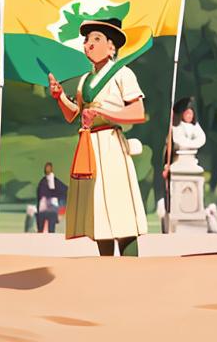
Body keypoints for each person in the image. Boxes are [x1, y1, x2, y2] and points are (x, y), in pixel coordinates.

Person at [47, 17, 148, 257]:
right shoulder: (85, 79)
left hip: (111, 144)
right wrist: (59, 96)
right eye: (86, 40)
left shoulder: (123, 74)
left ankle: (131, 266)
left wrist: (104, 112)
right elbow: (74, 114)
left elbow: (137, 111)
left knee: (119, 206)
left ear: (111, 46)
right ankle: (104, 266)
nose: (88, 45)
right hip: (90, 144)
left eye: (96, 39)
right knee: (99, 210)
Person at [36, 162, 68, 234]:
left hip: (51, 208)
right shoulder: (43, 182)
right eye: (46, 168)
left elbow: (64, 191)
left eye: (48, 168)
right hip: (45, 208)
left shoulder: (54, 182)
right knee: (42, 230)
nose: (47, 169)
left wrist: (62, 208)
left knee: (50, 230)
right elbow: (39, 196)